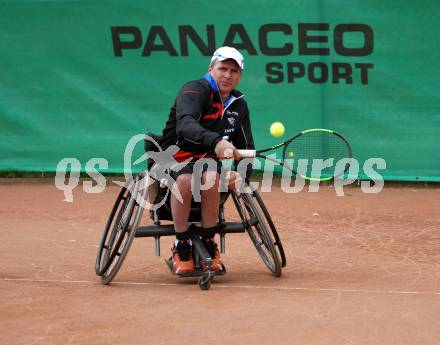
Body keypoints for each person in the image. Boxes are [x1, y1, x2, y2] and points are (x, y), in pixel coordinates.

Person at [159, 46, 255, 274]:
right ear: (211, 68)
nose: (227, 75)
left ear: (239, 75)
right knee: (184, 180)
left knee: (212, 176)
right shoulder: (194, 90)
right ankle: (181, 245)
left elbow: (246, 147)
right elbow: (186, 125)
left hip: (208, 162)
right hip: (177, 155)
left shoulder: (239, 104)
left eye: (234, 71)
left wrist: (241, 175)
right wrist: (216, 142)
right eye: (223, 68)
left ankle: (209, 242)